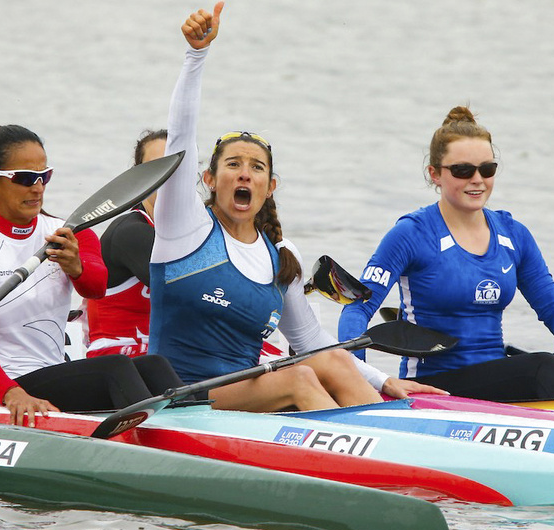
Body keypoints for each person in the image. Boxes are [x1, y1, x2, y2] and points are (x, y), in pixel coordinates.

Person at [147, 3, 443, 413]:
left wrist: (385, 380)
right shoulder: (183, 229)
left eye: (257, 168)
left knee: (335, 359)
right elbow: (182, 134)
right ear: (209, 181)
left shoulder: (280, 260)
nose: (245, 174)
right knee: (300, 375)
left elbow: (311, 341)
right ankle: (364, 457)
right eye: (233, 165)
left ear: (270, 187)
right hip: (180, 398)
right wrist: (196, 55)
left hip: (243, 398)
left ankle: (399, 437)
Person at [338, 106, 554, 401]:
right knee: (541, 366)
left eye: (487, 169)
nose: (477, 179)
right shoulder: (411, 234)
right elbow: (357, 309)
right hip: (436, 384)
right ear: (434, 174)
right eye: (463, 170)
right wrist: (362, 379)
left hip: (497, 375)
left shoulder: (513, 234)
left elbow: (549, 301)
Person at [0, 124, 184, 426]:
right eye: (26, 178)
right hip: (3, 384)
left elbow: (97, 288)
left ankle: (207, 434)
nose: (38, 187)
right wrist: (10, 393)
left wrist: (76, 267)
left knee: (155, 367)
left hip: (51, 372)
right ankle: (158, 449)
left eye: (44, 176)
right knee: (115, 369)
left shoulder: (69, 234)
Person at [84, 129, 166, 358]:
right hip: (119, 356)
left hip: (162, 355)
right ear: (139, 177)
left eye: (176, 167)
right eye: (157, 167)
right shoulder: (131, 233)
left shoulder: (197, 232)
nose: (167, 176)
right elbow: (188, 297)